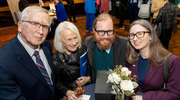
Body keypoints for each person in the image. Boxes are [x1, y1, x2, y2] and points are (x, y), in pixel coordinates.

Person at [0, 6, 54, 100]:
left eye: (45, 27)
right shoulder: (3, 62)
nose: (41, 32)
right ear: (20, 26)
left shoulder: (47, 46)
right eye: (34, 24)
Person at [126, 19, 180, 100]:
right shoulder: (131, 58)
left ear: (151, 36)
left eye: (140, 34)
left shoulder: (171, 60)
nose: (135, 38)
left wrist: (143, 98)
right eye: (132, 35)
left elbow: (174, 94)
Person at [53, 21, 91, 100]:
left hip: (86, 90)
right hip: (71, 96)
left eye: (75, 38)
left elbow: (88, 66)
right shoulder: (57, 59)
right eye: (69, 39)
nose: (74, 43)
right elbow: (57, 83)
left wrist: (88, 78)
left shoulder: (82, 47)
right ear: (61, 41)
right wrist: (67, 92)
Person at [84, 13, 127, 83]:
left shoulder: (124, 44)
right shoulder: (88, 42)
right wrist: (88, 78)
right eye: (101, 32)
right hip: (94, 89)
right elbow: (88, 67)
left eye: (109, 31)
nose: (106, 37)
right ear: (94, 31)